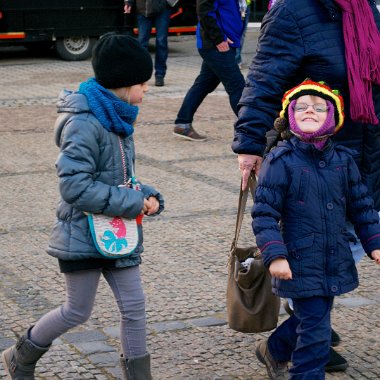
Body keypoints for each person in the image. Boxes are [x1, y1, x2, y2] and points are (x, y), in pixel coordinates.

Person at [1, 34, 164, 380]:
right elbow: (75, 187)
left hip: (116, 233)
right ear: (123, 84)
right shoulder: (85, 121)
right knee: (77, 310)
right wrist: (134, 201)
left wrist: (147, 193)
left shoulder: (118, 119)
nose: (146, 90)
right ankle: (21, 355)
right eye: (142, 83)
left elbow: (119, 176)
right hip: (82, 233)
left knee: (134, 307)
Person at [232, 0, 380, 371]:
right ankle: (308, 330)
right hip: (312, 163)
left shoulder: (366, 10)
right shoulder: (293, 11)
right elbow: (264, 80)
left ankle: (297, 333)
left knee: (343, 250)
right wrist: (249, 144)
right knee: (318, 257)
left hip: (366, 156)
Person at [252, 79, 380, 380]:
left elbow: (362, 206)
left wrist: (374, 242)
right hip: (298, 261)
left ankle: (274, 348)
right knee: (316, 333)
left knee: (313, 317)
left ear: (333, 119)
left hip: (333, 258)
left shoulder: (343, 161)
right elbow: (264, 213)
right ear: (291, 117)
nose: (310, 110)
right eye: (303, 107)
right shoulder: (280, 161)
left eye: (319, 108)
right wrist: (275, 255)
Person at [173, 0, 246, 141]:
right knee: (237, 87)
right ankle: (251, 130)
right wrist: (219, 39)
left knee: (204, 84)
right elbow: (204, 12)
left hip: (223, 43)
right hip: (217, 45)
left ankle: (182, 124)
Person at [124, 0, 172, 87]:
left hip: (162, 8)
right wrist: (128, 2)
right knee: (142, 43)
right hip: (143, 8)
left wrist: (170, 2)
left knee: (161, 42)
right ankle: (142, 75)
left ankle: (160, 75)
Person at [235, 0, 251, 69]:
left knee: (241, 35)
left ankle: (238, 60)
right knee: (238, 34)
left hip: (245, 6)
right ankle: (236, 61)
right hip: (238, 6)